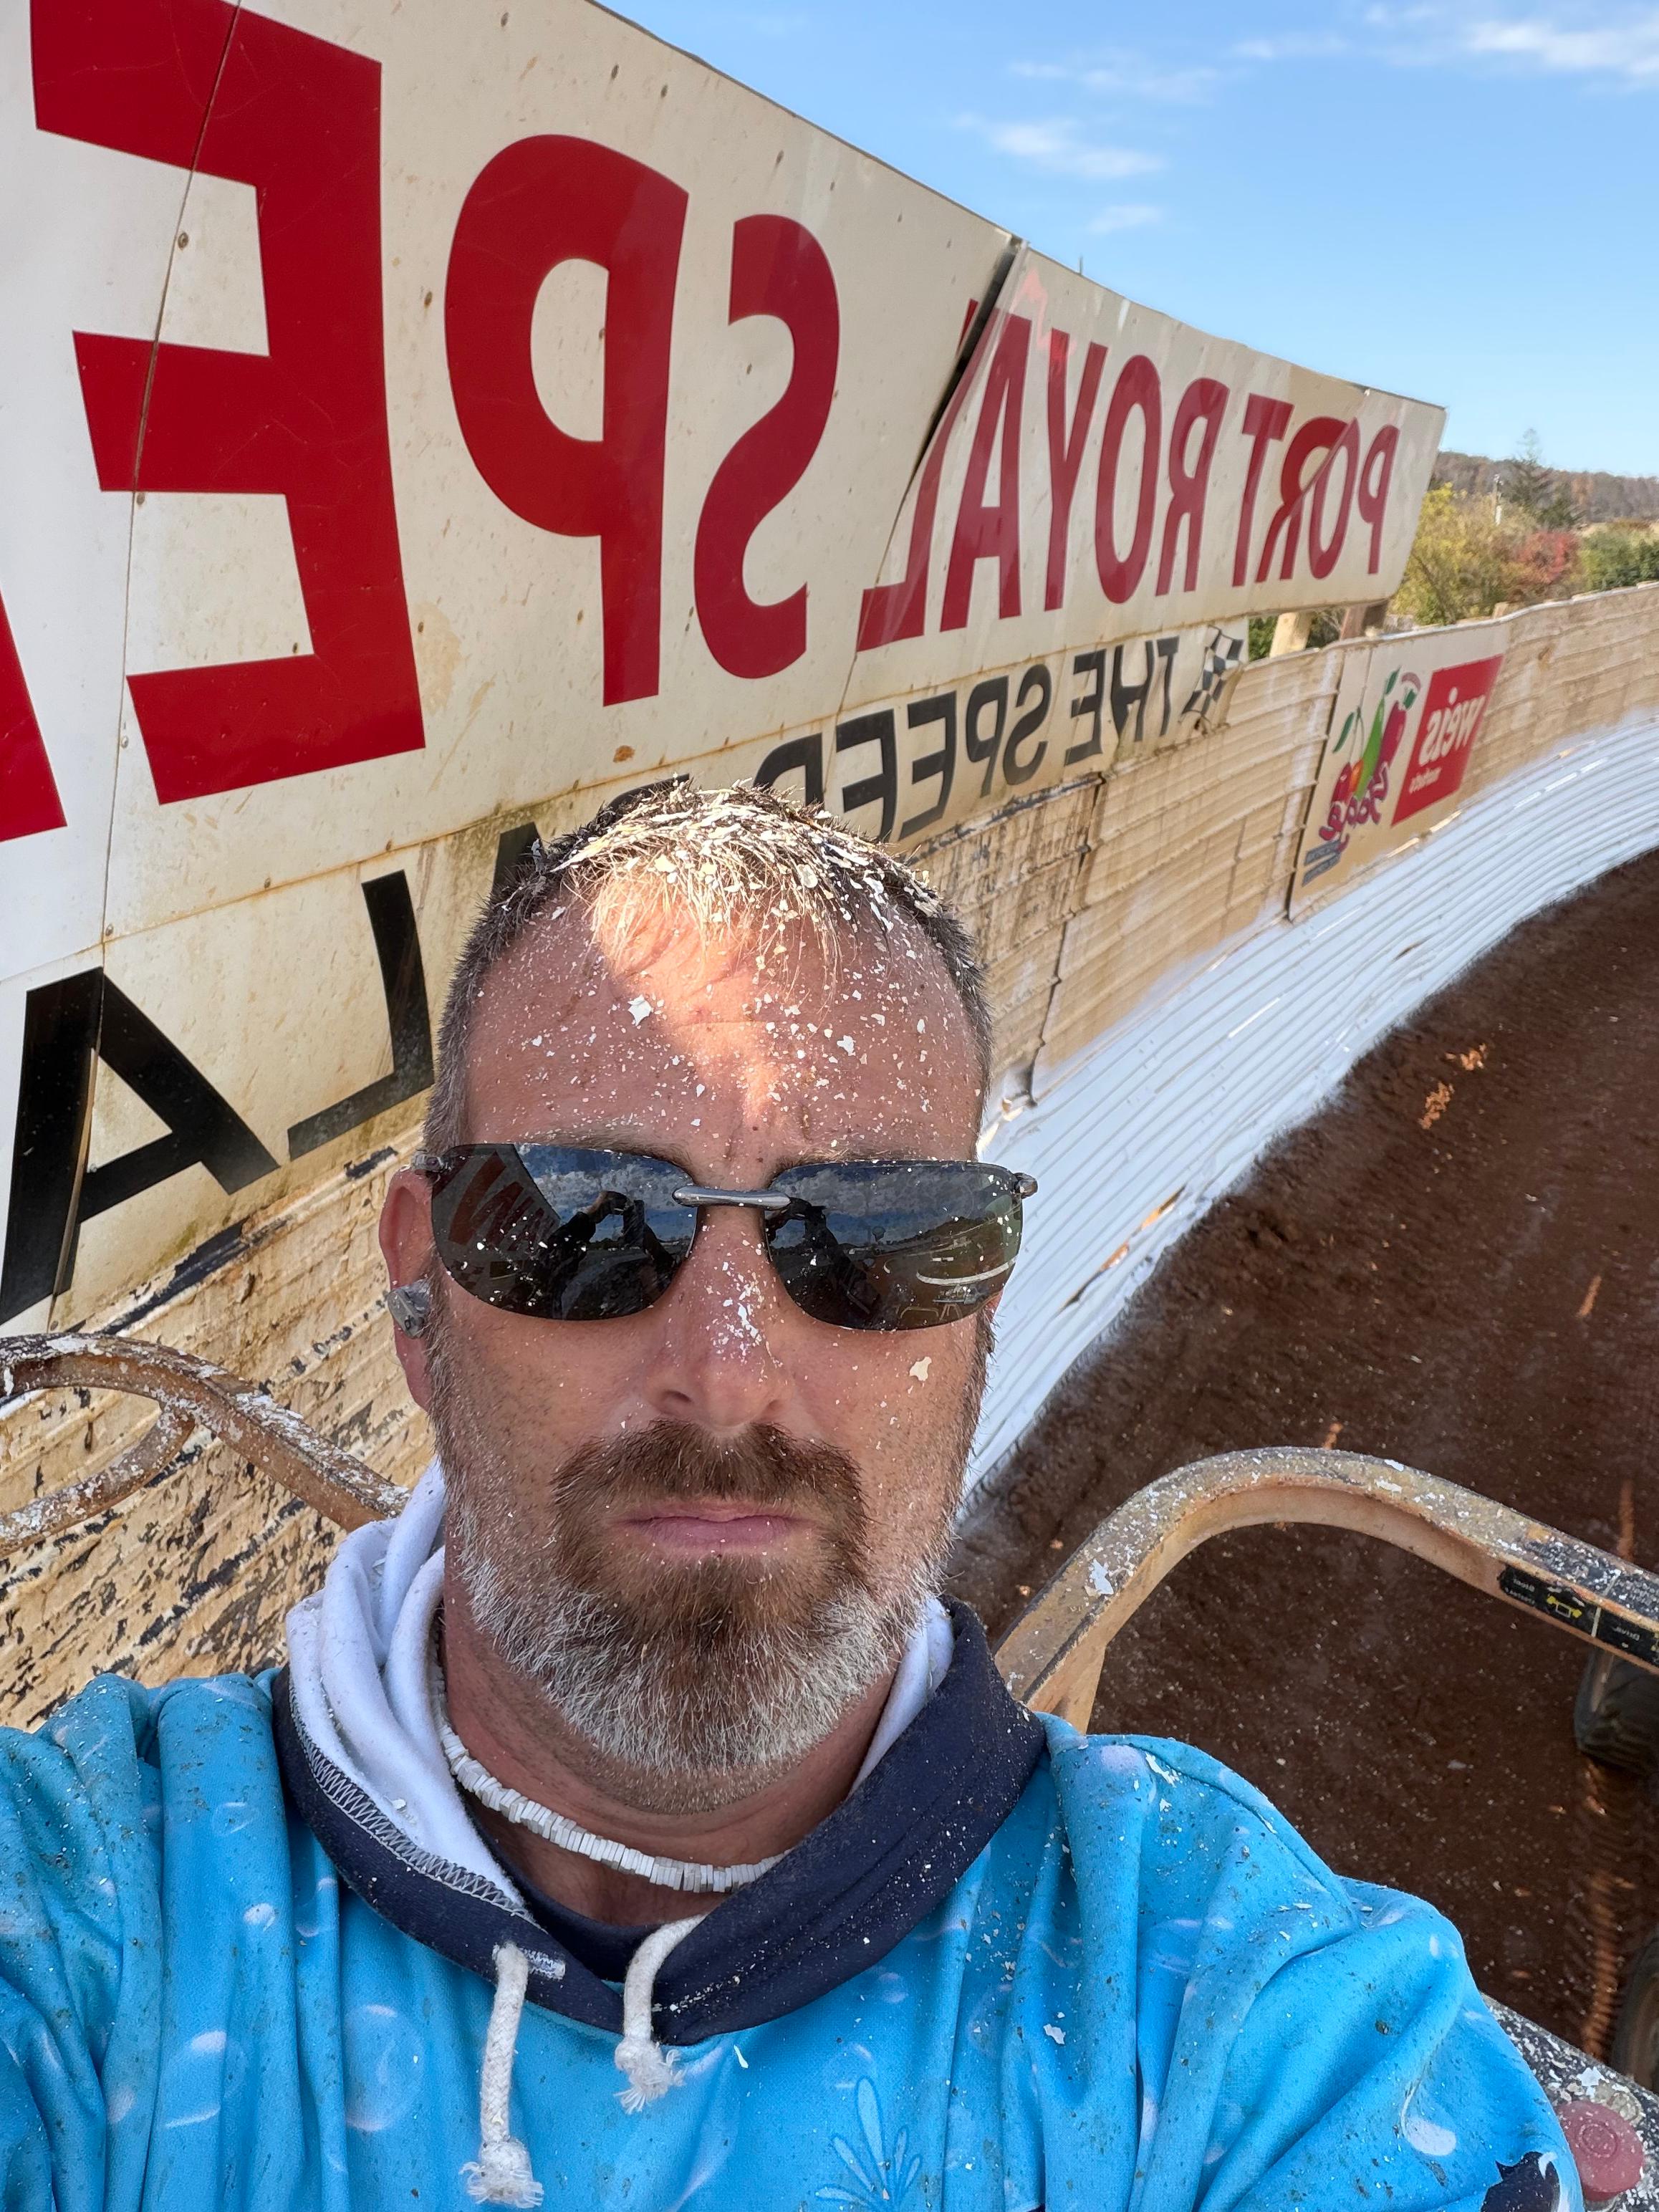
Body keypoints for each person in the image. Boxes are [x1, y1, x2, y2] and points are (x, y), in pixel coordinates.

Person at [0, 783, 1575, 2211]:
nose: (730, 1373)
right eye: (586, 1221)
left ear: (974, 1318)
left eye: (875, 1237)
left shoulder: (1234, 2012)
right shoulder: (85, 1920)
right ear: (422, 1295)